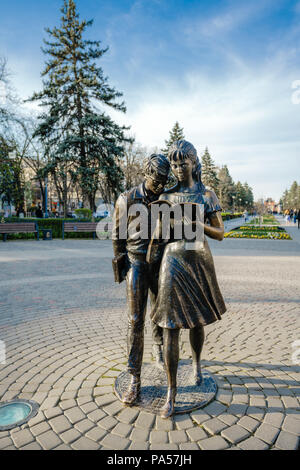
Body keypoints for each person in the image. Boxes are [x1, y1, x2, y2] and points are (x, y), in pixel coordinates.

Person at [149, 140, 226, 418]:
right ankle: (171, 391)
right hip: (172, 262)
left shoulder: (207, 194)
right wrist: (149, 267)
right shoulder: (166, 197)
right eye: (175, 164)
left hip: (199, 262)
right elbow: (157, 237)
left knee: (197, 320)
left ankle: (196, 364)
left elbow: (220, 233)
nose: (180, 168)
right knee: (170, 326)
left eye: (184, 163)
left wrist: (198, 224)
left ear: (194, 163)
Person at [112, 154, 170, 405]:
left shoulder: (166, 200)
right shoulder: (126, 199)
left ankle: (158, 348)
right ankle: (134, 376)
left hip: (159, 263)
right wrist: (123, 268)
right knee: (135, 320)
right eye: (157, 179)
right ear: (147, 174)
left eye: (164, 180)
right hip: (136, 263)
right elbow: (116, 238)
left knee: (160, 313)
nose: (161, 184)